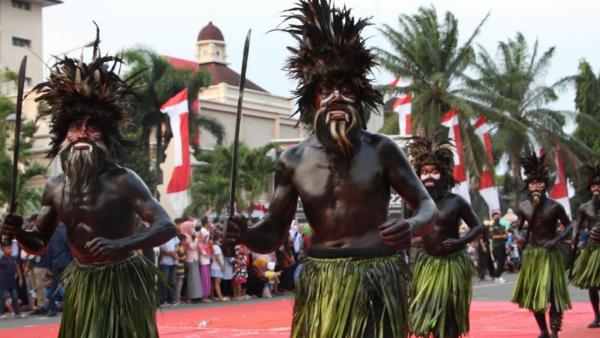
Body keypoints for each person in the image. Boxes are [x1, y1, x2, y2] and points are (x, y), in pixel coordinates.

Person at [225, 1, 437, 336]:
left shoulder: (382, 149)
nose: (336, 97)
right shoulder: (292, 160)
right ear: (313, 101)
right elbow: (275, 231)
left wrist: (413, 225)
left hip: (375, 273)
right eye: (326, 90)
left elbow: (427, 205)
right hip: (322, 279)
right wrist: (246, 235)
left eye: (346, 90)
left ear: (359, 99)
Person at [0, 34, 176, 337]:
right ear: (64, 135)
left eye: (91, 127)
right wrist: (18, 233)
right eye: (75, 127)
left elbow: (166, 226)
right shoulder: (55, 187)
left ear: (105, 135)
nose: (82, 133)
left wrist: (121, 245)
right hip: (83, 279)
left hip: (121, 277)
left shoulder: (122, 179)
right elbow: (39, 242)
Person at [405, 135, 483, 338]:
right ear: (418, 175)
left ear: (444, 174)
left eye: (434, 172)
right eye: (424, 172)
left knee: (449, 315)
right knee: (426, 315)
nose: (429, 176)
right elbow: (406, 233)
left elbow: (478, 227)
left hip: (451, 264)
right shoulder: (413, 204)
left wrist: (460, 242)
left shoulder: (456, 202)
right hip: (425, 265)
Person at [511, 149, 572, 338]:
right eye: (532, 183)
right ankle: (543, 331)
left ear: (545, 185)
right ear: (527, 186)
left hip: (551, 253)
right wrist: (519, 235)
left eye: (539, 183)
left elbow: (570, 227)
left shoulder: (555, 206)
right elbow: (517, 227)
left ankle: (554, 332)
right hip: (533, 254)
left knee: (554, 295)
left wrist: (557, 240)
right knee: (535, 295)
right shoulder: (523, 206)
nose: (536, 186)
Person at [571, 162, 600, 328]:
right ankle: (597, 316)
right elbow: (578, 226)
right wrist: (575, 238)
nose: (597, 189)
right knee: (592, 284)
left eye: (599, 186)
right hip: (592, 249)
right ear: (590, 189)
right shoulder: (584, 207)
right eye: (594, 186)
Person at [0, 243, 26, 318]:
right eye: (7, 248)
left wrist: (20, 278)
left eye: (10, 248)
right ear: (3, 250)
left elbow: (17, 268)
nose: (10, 250)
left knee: (15, 297)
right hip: (4, 281)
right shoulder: (2, 259)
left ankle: (17, 313)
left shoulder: (13, 258)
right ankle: (2, 313)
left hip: (12, 281)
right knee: (3, 297)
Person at [158, 233, 179, 305]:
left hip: (173, 261)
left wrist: (174, 252)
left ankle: (171, 299)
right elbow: (160, 247)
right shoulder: (162, 235)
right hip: (165, 261)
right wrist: (169, 253)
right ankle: (163, 299)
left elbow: (177, 245)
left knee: (173, 281)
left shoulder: (174, 235)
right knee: (164, 281)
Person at [490, 212, 508, 283]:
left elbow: (505, 235)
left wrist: (506, 235)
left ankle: (498, 275)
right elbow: (493, 237)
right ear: (493, 218)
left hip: (502, 245)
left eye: (498, 216)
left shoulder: (501, 226)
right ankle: (497, 276)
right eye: (495, 217)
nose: (497, 218)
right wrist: (502, 236)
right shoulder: (492, 226)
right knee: (500, 261)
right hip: (496, 246)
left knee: (503, 261)